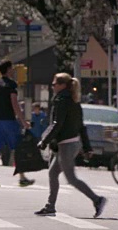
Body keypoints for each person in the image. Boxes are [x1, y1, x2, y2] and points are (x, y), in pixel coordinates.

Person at [35, 73, 108, 218]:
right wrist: (87, 147)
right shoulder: (74, 101)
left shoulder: (62, 100)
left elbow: (57, 123)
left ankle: (97, 199)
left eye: (55, 84)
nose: (52, 86)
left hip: (67, 144)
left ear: (62, 85)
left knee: (71, 178)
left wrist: (45, 141)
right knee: (53, 172)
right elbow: (81, 126)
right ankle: (50, 206)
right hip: (71, 143)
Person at [0, 59, 34, 187]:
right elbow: (14, 103)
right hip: (8, 121)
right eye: (12, 68)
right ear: (8, 69)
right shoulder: (11, 85)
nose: (13, 70)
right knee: (17, 148)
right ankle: (22, 178)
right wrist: (23, 121)